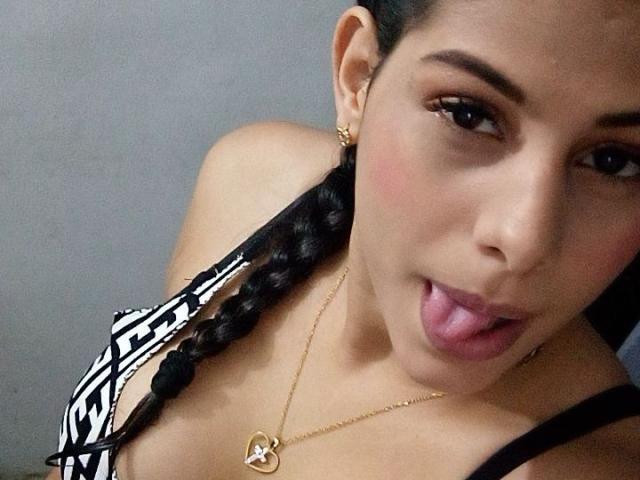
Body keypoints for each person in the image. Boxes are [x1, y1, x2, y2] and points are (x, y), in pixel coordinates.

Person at [45, 1, 640, 478]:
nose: (523, 238)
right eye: (468, 115)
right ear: (359, 77)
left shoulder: (580, 465)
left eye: (614, 161)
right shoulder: (252, 184)